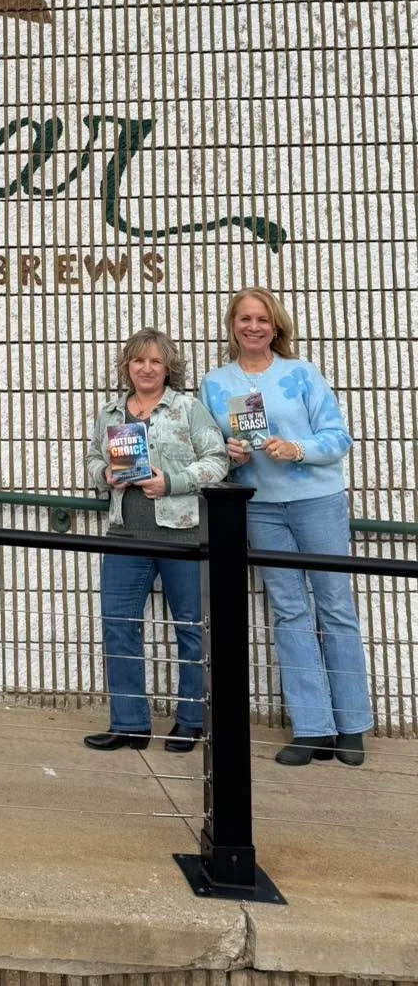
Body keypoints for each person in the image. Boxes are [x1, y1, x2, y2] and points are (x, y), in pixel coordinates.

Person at [199, 287, 373, 767]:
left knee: (335, 607)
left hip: (317, 501)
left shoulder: (302, 373)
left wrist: (297, 449)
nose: (253, 327)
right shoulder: (215, 383)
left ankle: (352, 725)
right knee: (289, 611)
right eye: (245, 318)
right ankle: (312, 727)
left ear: (276, 326)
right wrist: (231, 456)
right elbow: (211, 451)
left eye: (262, 319)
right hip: (259, 506)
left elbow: (338, 438)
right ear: (232, 325)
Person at [84, 328, 228, 753]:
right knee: (118, 625)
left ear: (168, 368)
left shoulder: (188, 409)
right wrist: (104, 474)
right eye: (138, 360)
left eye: (155, 361)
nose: (146, 368)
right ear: (127, 366)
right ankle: (129, 724)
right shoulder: (111, 413)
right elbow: (92, 458)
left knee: (192, 628)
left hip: (182, 532)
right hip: (125, 533)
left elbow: (217, 461)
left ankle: (191, 721)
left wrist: (173, 482)